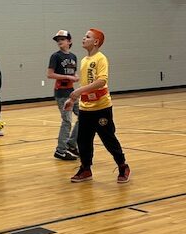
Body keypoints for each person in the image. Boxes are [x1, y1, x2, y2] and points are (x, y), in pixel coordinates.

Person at [65, 28, 131, 184]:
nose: (83, 38)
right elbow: (85, 84)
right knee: (83, 140)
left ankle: (123, 166)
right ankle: (86, 168)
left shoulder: (101, 59)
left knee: (108, 139)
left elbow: (101, 81)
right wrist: (73, 99)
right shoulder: (83, 61)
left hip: (101, 107)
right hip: (85, 107)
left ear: (95, 42)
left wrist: (78, 91)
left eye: (87, 37)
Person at [47, 30, 80, 161]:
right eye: (58, 39)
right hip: (61, 93)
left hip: (72, 92)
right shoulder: (55, 56)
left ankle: (71, 144)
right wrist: (66, 76)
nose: (60, 41)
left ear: (69, 41)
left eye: (63, 39)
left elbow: (73, 73)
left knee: (83, 117)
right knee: (67, 120)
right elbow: (50, 74)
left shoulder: (73, 56)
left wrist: (75, 77)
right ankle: (60, 150)